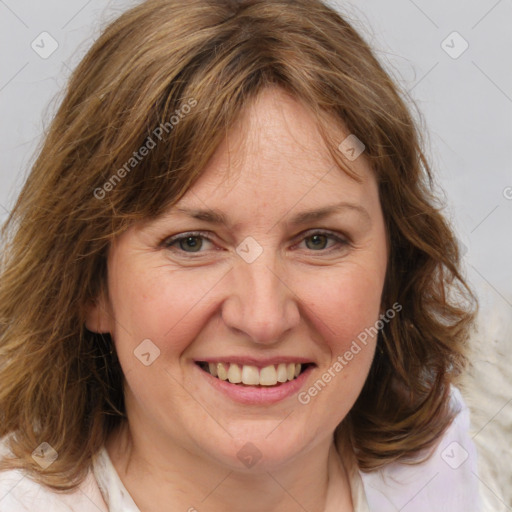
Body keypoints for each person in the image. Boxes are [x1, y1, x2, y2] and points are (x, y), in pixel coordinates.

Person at [0, 0, 483, 510]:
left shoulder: (438, 465)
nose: (263, 319)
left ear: (394, 267)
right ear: (90, 284)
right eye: (191, 242)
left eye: (319, 239)